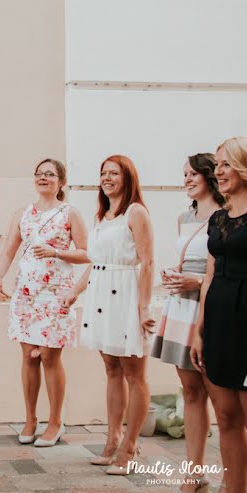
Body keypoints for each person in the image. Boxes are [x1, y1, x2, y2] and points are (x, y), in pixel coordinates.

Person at [64, 155, 155, 476]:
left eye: (113, 173)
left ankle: (130, 447)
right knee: (111, 369)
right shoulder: (103, 216)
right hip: (102, 296)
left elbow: (147, 262)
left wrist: (144, 308)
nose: (107, 178)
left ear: (127, 178)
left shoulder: (136, 212)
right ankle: (113, 437)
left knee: (135, 373)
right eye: (103, 173)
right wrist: (76, 291)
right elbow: (96, 261)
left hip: (127, 297)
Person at [0, 159, 89, 447]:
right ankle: (30, 419)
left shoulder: (69, 213)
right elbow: (9, 250)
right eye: (39, 174)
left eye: (50, 174)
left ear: (61, 182)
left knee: (49, 357)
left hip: (56, 294)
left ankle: (56, 422)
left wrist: (55, 252)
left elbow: (86, 254)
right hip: (27, 294)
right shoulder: (23, 213)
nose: (43, 178)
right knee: (27, 357)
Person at [151, 154, 224, 493]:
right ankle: (194, 479)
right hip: (182, 307)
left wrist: (193, 280)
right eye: (184, 175)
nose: (187, 180)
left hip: (208, 309)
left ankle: (232, 482)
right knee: (191, 394)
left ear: (209, 176)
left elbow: (218, 269)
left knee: (222, 402)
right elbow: (189, 259)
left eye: (193, 174)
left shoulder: (225, 217)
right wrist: (174, 274)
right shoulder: (185, 216)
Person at [191, 136, 247, 493]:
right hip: (219, 324)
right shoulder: (218, 218)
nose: (219, 171)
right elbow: (210, 275)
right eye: (217, 164)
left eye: (226, 163)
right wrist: (199, 331)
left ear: (245, 167)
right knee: (226, 418)